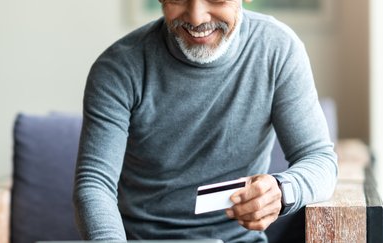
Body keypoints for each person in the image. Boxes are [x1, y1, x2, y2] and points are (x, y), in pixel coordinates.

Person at [72, 0, 338, 242]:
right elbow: (95, 183)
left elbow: (320, 160)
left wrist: (283, 191)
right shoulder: (118, 67)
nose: (197, 18)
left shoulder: (277, 49)